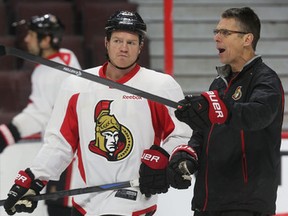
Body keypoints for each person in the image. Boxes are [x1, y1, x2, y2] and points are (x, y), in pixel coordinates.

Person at [3, 10, 192, 216]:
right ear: (106, 43)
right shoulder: (76, 85)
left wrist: (163, 156)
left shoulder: (160, 85)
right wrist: (34, 178)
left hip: (133, 200)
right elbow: (60, 143)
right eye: (118, 40)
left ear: (140, 47)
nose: (123, 48)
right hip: (86, 203)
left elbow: (182, 134)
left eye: (131, 42)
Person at [167, 6, 285, 216]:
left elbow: (258, 115)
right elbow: (204, 131)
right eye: (216, 32)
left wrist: (221, 109)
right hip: (207, 204)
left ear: (247, 39)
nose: (217, 38)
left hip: (245, 206)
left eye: (225, 32)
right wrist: (188, 155)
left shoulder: (266, 79)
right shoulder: (219, 84)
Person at [0, 14, 82, 216]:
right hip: (61, 155)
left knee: (62, 210)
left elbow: (40, 114)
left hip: (70, 158)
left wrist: (8, 133)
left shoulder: (56, 69)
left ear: (46, 39)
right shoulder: (55, 63)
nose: (26, 39)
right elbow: (41, 111)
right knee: (58, 208)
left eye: (32, 35)